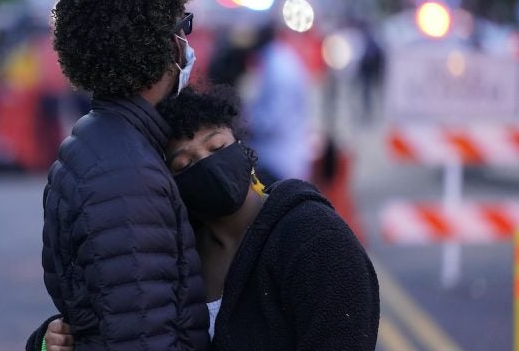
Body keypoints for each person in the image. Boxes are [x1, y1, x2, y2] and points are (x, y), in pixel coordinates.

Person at [36, 85, 379, 350]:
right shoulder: (172, 249)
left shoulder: (314, 239)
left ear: (243, 148)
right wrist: (47, 340)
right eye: (184, 164)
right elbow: (117, 321)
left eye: (216, 148)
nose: (207, 164)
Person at [31, 0, 210, 350]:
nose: (185, 42)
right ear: (160, 45)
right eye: (182, 27)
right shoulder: (128, 176)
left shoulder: (96, 141)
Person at [242, 22, 313, 183]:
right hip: (284, 155)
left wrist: (243, 122)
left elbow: (273, 121)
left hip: (278, 160)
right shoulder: (279, 57)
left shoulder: (277, 66)